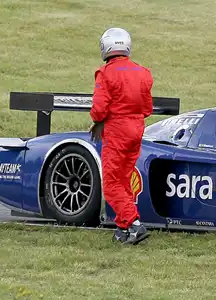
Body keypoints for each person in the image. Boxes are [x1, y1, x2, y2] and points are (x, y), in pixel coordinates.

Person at [89, 27, 154, 245]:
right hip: (136, 129)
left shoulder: (105, 73)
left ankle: (134, 223)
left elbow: (99, 109)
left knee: (111, 183)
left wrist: (98, 122)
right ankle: (122, 227)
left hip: (117, 131)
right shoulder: (143, 72)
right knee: (124, 178)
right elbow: (147, 108)